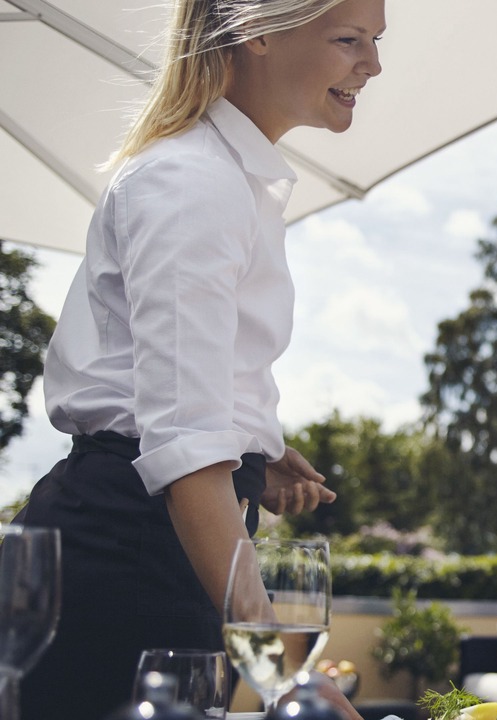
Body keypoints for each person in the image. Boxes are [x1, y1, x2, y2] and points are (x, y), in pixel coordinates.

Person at [17, 1, 384, 718]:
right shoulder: (194, 183)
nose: (372, 65)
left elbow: (170, 397)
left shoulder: (227, 179)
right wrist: (287, 680)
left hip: (159, 546)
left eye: (374, 41)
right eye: (349, 39)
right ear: (256, 31)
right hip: (127, 562)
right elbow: (185, 456)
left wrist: (250, 443)